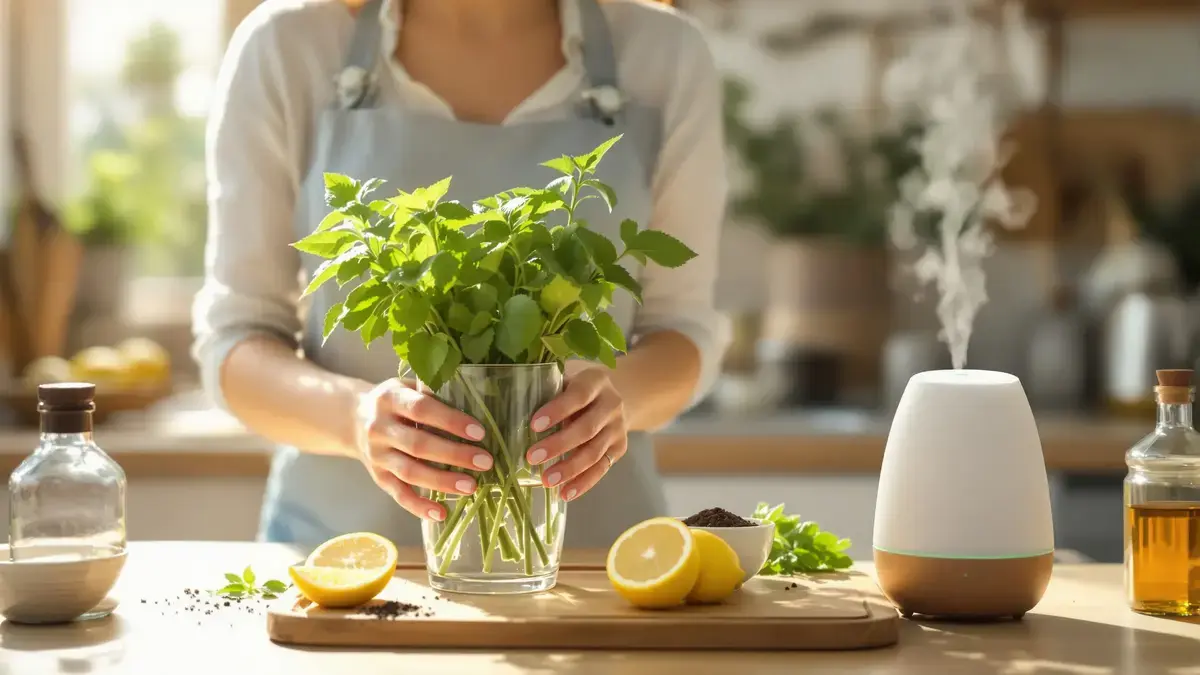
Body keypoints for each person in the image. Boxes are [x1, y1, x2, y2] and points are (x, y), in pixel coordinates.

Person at [192, 0, 728, 550]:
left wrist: (613, 402)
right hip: (344, 559)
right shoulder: (288, 46)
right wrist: (354, 417)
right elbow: (237, 338)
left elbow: (682, 330)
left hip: (592, 565)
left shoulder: (664, 54)